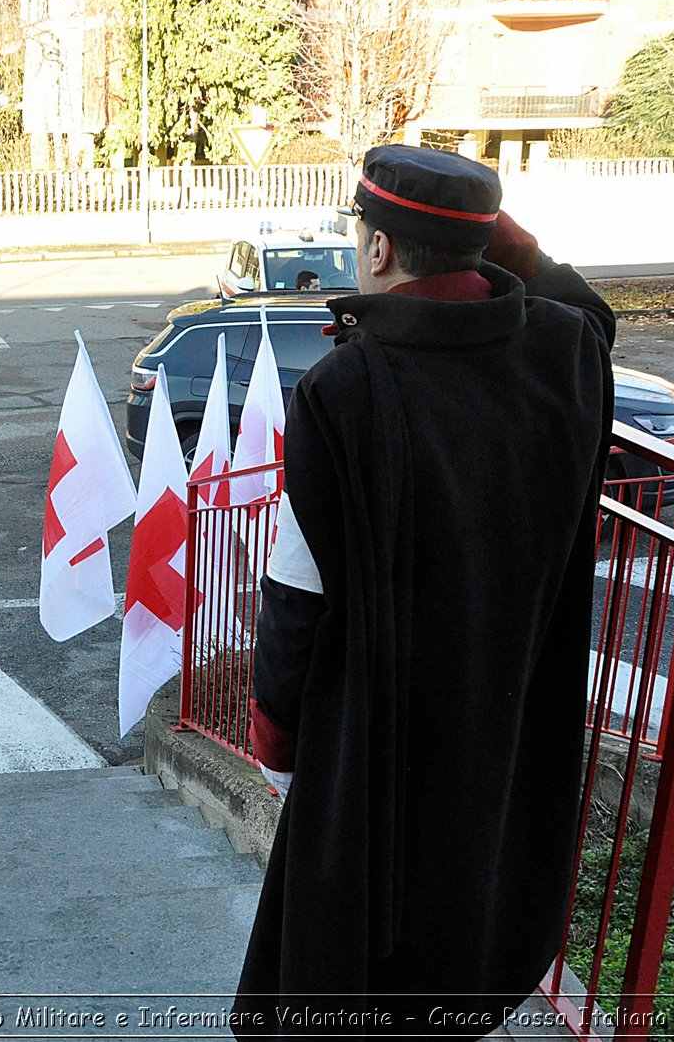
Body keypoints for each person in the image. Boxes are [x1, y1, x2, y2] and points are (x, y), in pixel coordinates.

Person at [231, 145, 614, 1038]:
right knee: (467, 953)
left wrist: (276, 745)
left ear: (375, 252)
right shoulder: (565, 353)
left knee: (339, 981)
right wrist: (484, 230)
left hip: (377, 765)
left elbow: (298, 594)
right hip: (510, 738)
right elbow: (587, 307)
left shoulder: (342, 388)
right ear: (480, 247)